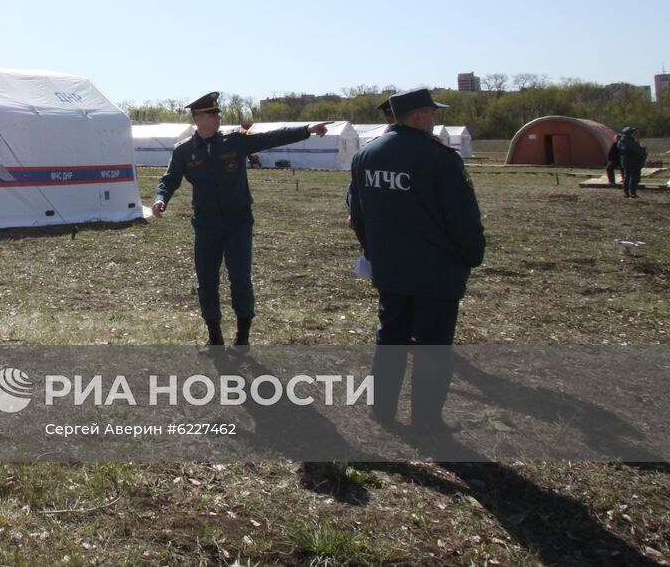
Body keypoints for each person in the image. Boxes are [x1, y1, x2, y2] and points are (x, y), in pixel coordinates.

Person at [348, 88, 485, 433]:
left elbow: (357, 213)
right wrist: (472, 255)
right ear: (419, 116)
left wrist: (372, 251)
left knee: (390, 339)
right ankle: (426, 421)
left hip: (390, 268)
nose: (434, 119)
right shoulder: (440, 158)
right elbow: (462, 219)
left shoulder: (366, 155)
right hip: (435, 271)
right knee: (433, 348)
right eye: (431, 113)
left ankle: (382, 411)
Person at [153, 92, 331, 347]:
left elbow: (272, 137)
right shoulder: (184, 151)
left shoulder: (234, 141)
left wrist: (306, 129)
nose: (217, 118)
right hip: (206, 224)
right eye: (212, 114)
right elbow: (169, 179)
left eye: (217, 113)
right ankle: (214, 338)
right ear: (197, 118)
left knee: (240, 278)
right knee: (207, 280)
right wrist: (161, 198)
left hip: (238, 222)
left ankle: (242, 338)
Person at [617, 127, 648, 198]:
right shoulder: (630, 141)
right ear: (630, 133)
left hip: (625, 162)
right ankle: (633, 192)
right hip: (633, 162)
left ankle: (626, 192)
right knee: (633, 177)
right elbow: (638, 151)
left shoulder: (620, 141)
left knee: (626, 176)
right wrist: (643, 149)